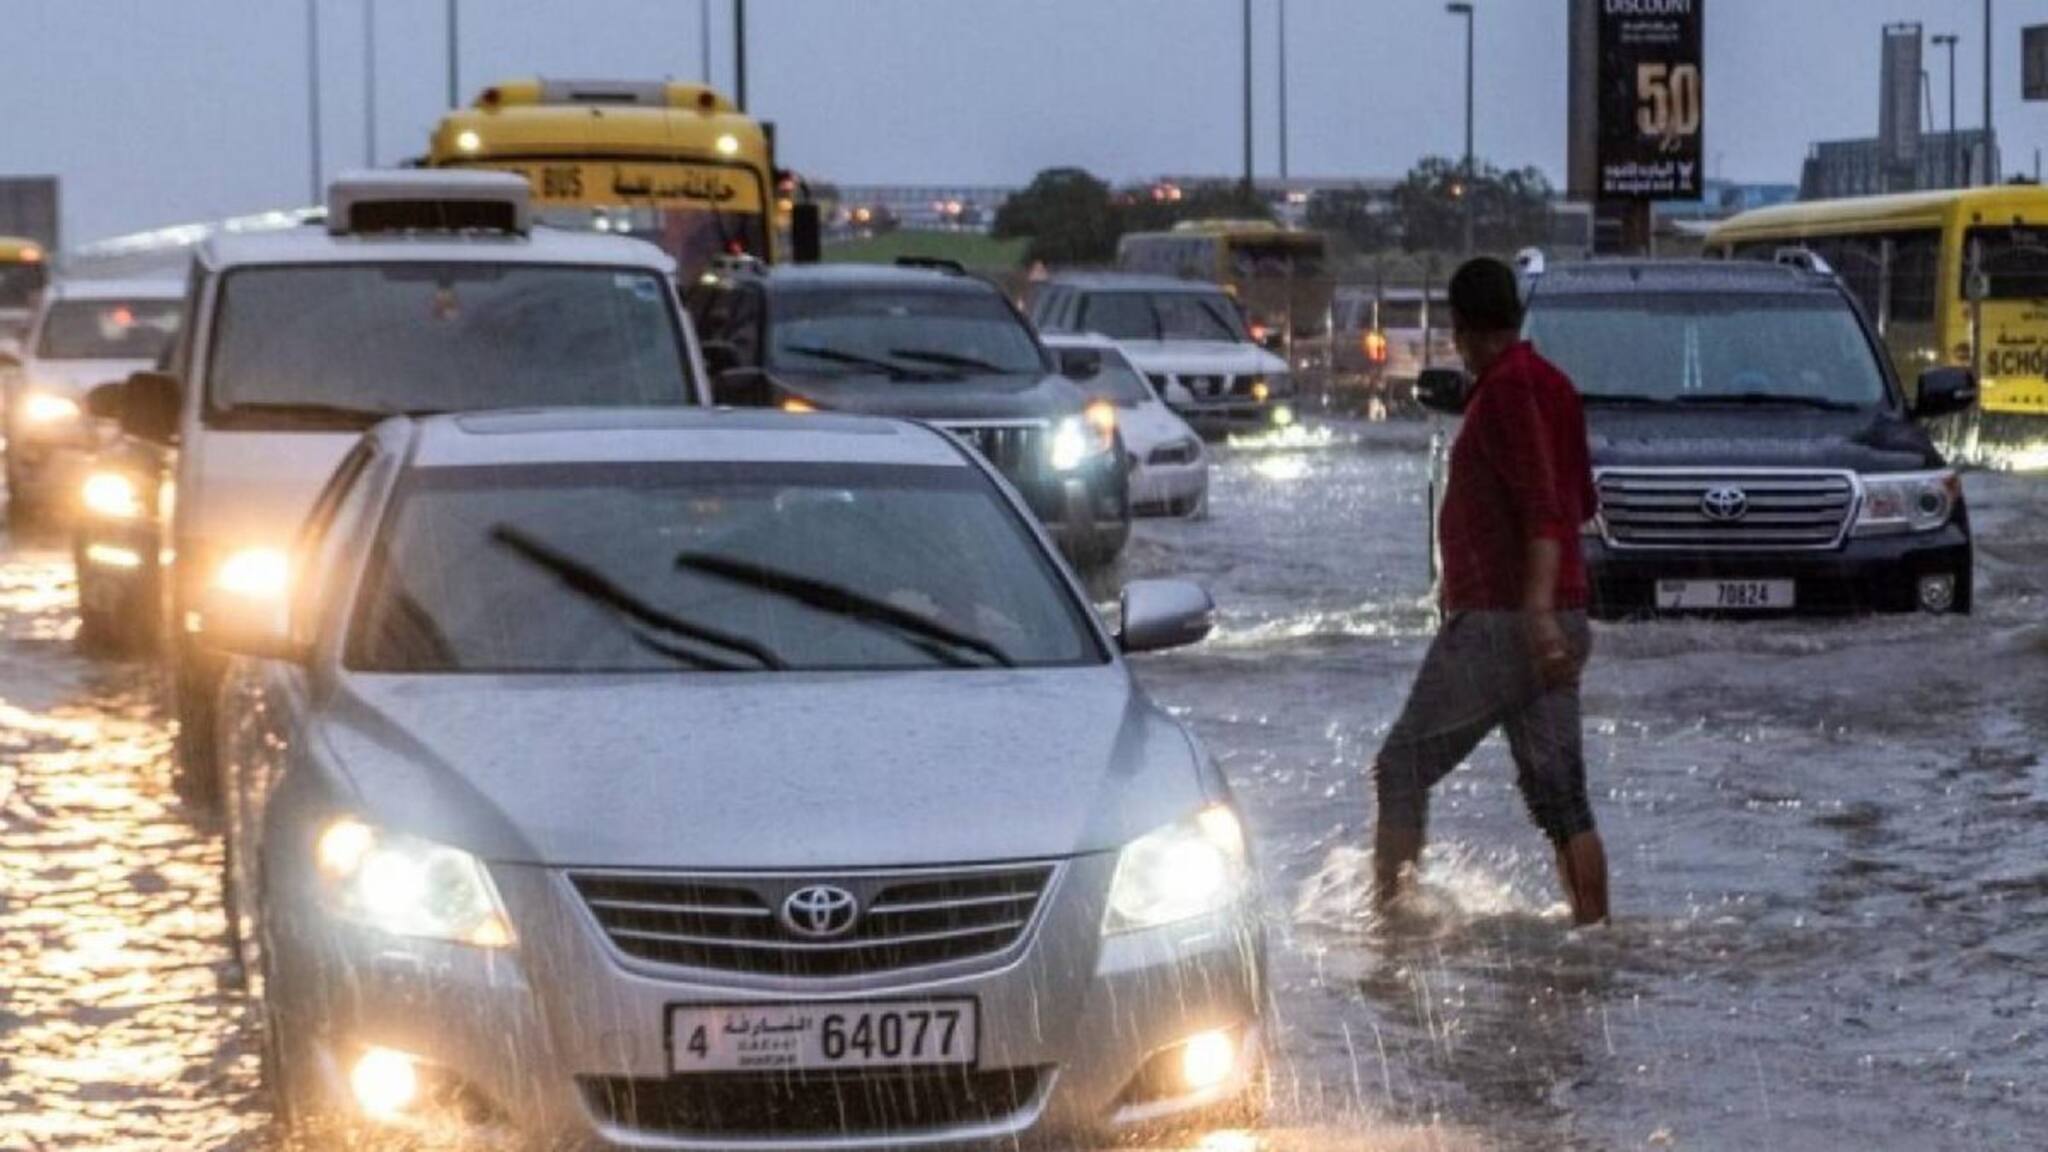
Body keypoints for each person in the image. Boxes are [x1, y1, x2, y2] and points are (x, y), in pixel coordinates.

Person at [1371, 256, 1609, 925]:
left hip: (1507, 623)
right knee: (1563, 802)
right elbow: (1580, 502)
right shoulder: (1556, 386)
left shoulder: (1506, 391)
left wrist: (1532, 614)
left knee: (1400, 768)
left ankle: (1390, 929)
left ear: (1462, 329)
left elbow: (1542, 507)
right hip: (1562, 617)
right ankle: (1596, 942)